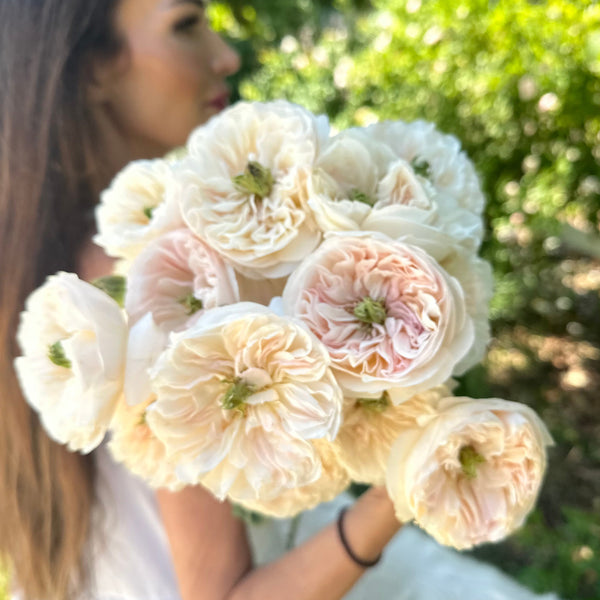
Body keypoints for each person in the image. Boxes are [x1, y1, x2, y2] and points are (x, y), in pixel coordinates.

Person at [0, 2, 560, 600]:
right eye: (186, 24)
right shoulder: (139, 276)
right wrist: (404, 487)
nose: (226, 56)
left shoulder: (51, 259)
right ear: (93, 69)